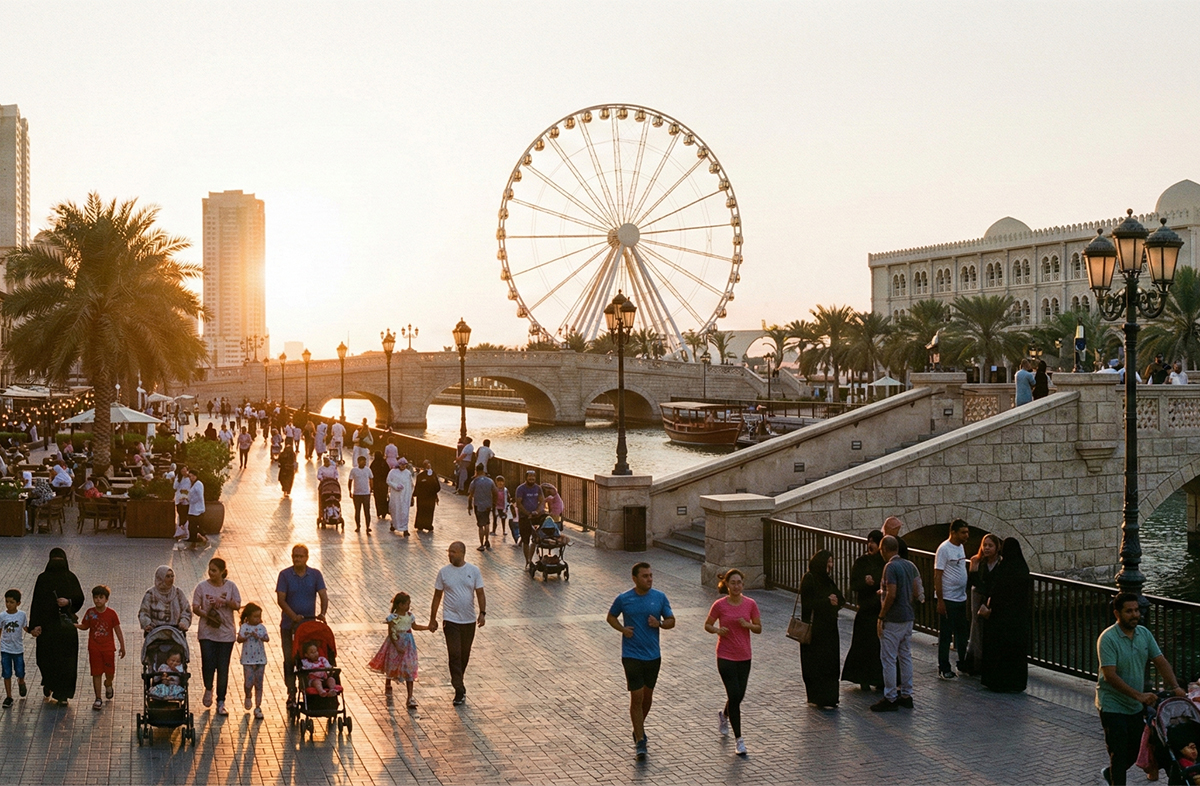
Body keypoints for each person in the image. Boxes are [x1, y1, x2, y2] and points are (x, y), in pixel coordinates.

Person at [1097, 592, 1187, 786]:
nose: (1135, 615)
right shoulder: (1108, 639)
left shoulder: (1144, 634)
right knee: (1119, 754)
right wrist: (1139, 696)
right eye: (1129, 611)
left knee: (1136, 749)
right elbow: (1110, 676)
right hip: (1113, 705)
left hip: (1135, 706)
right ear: (1117, 613)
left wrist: (1176, 687)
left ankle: (1111, 773)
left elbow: (1160, 661)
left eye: (1137, 610)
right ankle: (1116, 778)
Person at [607, 562, 675, 760]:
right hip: (631, 655)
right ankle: (640, 741)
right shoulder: (624, 599)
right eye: (645, 576)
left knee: (647, 697)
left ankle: (638, 729)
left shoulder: (660, 597)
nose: (649, 579)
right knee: (636, 697)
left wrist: (659, 623)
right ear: (635, 579)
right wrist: (622, 630)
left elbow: (672, 621)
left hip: (653, 655)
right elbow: (611, 616)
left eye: (651, 575)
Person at [703, 569, 760, 757]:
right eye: (733, 582)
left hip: (744, 656)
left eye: (739, 583)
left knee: (739, 696)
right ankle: (739, 740)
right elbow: (708, 625)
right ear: (727, 584)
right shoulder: (719, 605)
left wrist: (748, 625)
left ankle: (724, 715)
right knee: (734, 694)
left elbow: (758, 628)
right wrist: (717, 631)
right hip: (725, 656)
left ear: (743, 584)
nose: (736, 586)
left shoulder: (750, 604)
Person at [428, 541, 486, 706]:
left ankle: (459, 680)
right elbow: (437, 596)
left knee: (464, 655)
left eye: (453, 552)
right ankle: (459, 688)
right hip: (450, 620)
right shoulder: (444, 573)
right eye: (449, 552)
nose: (450, 554)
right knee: (454, 654)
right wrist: (433, 618)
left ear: (462, 553)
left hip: (468, 620)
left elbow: (480, 593)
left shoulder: (473, 571)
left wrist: (482, 613)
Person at [871, 535, 922, 713]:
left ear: (884, 549)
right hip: (908, 617)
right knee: (905, 656)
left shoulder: (890, 567)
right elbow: (917, 591)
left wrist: (882, 615)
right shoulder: (910, 565)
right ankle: (907, 695)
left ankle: (890, 697)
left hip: (894, 619)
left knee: (889, 659)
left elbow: (891, 593)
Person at [27, 548, 85, 705]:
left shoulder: (71, 578)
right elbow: (36, 603)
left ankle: (62, 694)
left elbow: (79, 598)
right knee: (44, 659)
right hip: (47, 628)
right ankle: (49, 683)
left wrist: (68, 602)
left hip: (65, 627)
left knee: (67, 662)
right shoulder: (43, 579)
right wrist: (34, 626)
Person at [276, 544, 328, 708]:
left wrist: (322, 613)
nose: (297, 559)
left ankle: (310, 687)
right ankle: (291, 691)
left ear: (306, 557)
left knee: (309, 658)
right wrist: (293, 616)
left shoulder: (315, 575)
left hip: (309, 627)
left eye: (300, 556)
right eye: (294, 556)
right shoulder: (284, 575)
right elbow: (281, 600)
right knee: (290, 659)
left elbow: (323, 595)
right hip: (289, 626)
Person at [979, 537, 1030, 693]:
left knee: (999, 650)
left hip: (1000, 618)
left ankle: (998, 682)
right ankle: (1016, 683)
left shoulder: (1004, 568)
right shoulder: (1022, 568)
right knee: (1016, 652)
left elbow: (997, 592)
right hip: (1018, 619)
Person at [192, 557, 241, 716]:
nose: (211, 573)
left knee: (223, 667)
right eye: (210, 569)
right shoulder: (201, 587)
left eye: (214, 570)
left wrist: (225, 601)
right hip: (207, 631)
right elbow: (195, 607)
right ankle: (208, 688)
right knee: (208, 662)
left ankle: (221, 701)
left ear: (222, 572)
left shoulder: (231, 586)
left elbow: (238, 605)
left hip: (226, 634)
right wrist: (207, 613)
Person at [798, 550, 845, 708]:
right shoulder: (809, 578)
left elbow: (841, 598)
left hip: (829, 629)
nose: (830, 565)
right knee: (816, 665)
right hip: (815, 630)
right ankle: (817, 697)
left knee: (830, 664)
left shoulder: (828, 581)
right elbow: (808, 603)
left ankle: (830, 697)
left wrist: (835, 600)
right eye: (828, 562)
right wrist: (827, 601)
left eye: (832, 562)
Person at [367, 592, 430, 708]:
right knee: (392, 664)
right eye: (406, 604)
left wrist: (427, 627)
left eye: (409, 604)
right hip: (396, 643)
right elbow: (391, 633)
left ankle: (410, 697)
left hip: (408, 645)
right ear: (400, 605)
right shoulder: (393, 618)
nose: (408, 606)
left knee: (409, 667)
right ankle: (388, 681)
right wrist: (397, 646)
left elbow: (414, 627)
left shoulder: (410, 616)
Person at [841, 530, 885, 691]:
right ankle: (863, 678)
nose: (870, 545)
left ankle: (880, 679)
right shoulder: (861, 562)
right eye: (869, 541)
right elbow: (853, 585)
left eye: (874, 542)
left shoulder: (885, 563)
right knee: (864, 645)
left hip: (881, 609)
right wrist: (864, 582)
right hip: (866, 609)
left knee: (880, 646)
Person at [76, 585, 125, 711]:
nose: (98, 600)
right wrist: (74, 625)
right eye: (95, 597)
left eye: (101, 597)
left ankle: (108, 684)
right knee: (96, 673)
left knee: (110, 672)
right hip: (94, 648)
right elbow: (85, 626)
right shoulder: (90, 613)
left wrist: (122, 645)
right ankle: (98, 698)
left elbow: (118, 630)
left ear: (106, 599)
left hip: (108, 648)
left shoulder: (112, 614)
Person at [934, 519, 971, 680]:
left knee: (962, 633)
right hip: (948, 599)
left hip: (961, 598)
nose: (966, 535)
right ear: (953, 533)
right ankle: (944, 667)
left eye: (967, 532)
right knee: (946, 635)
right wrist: (940, 600)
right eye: (963, 532)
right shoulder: (944, 549)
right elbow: (938, 574)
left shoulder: (961, 547)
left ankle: (962, 663)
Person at [961, 533, 1001, 675]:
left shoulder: (1000, 563)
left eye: (990, 545)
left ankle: (990, 662)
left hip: (994, 600)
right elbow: (973, 581)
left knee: (991, 630)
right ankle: (975, 663)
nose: (987, 548)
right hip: (979, 598)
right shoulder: (978, 561)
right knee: (977, 628)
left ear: (997, 547)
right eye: (985, 545)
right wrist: (974, 567)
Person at [236, 603, 268, 720]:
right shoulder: (244, 627)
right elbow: (239, 639)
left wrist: (259, 635)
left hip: (260, 659)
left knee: (259, 684)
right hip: (248, 660)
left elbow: (266, 638)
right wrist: (246, 636)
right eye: (255, 616)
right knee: (249, 682)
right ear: (248, 617)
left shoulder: (261, 627)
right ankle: (248, 694)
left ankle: (258, 707)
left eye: (259, 616)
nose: (257, 619)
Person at [139, 566, 193, 632]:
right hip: (154, 633)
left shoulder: (178, 593)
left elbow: (186, 611)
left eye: (172, 576)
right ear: (160, 578)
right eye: (167, 576)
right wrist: (147, 624)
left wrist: (183, 623)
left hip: (176, 633)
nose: (171, 579)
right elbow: (143, 612)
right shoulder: (151, 594)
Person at [1, 589, 29, 707]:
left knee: (20, 670)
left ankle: (21, 681)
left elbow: (25, 627)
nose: (8, 604)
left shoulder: (21, 615)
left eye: (12, 602)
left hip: (18, 649)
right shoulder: (2, 616)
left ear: (18, 603)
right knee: (6, 672)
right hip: (5, 649)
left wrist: (33, 631)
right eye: (7, 601)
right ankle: (9, 696)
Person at [514, 471, 545, 568]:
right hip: (524, 518)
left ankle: (530, 559)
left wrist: (537, 511)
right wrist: (528, 513)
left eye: (533, 476)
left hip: (536, 518)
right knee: (525, 540)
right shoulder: (520, 489)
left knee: (535, 539)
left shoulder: (538, 488)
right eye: (530, 476)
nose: (531, 478)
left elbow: (542, 501)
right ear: (526, 477)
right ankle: (527, 560)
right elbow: (519, 503)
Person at [467, 465, 496, 551]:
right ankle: (487, 541)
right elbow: (495, 492)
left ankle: (481, 545)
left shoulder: (475, 482)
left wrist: (469, 506)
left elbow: (470, 495)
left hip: (478, 505)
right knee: (487, 523)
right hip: (488, 505)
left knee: (480, 525)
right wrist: (494, 503)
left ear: (476, 470)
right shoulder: (490, 481)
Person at [387, 458, 414, 536]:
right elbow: (388, 481)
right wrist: (395, 486)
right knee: (395, 510)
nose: (403, 466)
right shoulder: (392, 472)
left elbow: (410, 484)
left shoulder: (408, 473)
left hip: (405, 496)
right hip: (396, 496)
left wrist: (411, 495)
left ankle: (405, 528)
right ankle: (394, 524)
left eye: (405, 465)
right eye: (401, 464)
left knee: (405, 512)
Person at [348, 454, 374, 533]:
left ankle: (368, 526)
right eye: (362, 462)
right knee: (357, 511)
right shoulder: (354, 470)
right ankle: (358, 526)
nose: (364, 463)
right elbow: (350, 481)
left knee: (367, 511)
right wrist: (350, 491)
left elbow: (371, 479)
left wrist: (371, 488)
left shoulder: (368, 470)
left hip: (366, 493)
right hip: (357, 493)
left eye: (365, 462)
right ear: (358, 462)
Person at [185, 467, 209, 548]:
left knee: (194, 526)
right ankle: (194, 542)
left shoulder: (198, 484)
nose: (191, 478)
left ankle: (201, 538)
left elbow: (200, 496)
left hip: (197, 509)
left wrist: (190, 500)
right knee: (192, 526)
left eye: (192, 476)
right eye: (190, 476)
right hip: (193, 509)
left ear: (196, 476)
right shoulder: (193, 484)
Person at [413, 460, 440, 532]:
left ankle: (421, 525)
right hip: (430, 497)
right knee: (428, 511)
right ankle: (427, 525)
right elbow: (437, 487)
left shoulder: (420, 476)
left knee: (422, 510)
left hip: (423, 497)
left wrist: (414, 495)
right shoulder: (433, 475)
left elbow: (417, 487)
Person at [369, 451, 390, 521]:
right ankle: (384, 512)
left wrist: (371, 486)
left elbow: (370, 475)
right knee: (384, 498)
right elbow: (388, 472)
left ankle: (379, 512)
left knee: (377, 499)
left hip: (376, 484)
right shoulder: (384, 463)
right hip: (384, 484)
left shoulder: (374, 464)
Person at [493, 475, 510, 539]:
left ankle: (504, 530)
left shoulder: (505, 490)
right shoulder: (495, 490)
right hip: (496, 507)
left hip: (503, 507)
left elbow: (508, 497)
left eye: (501, 481)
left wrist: (507, 506)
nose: (500, 483)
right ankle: (494, 530)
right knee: (495, 519)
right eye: (498, 481)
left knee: (503, 519)